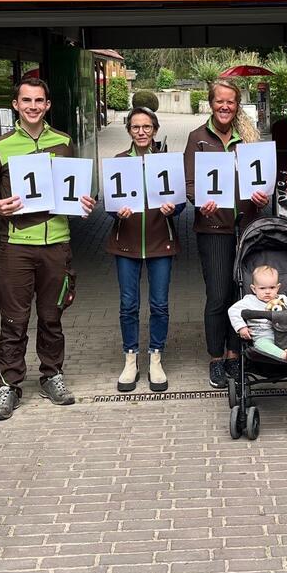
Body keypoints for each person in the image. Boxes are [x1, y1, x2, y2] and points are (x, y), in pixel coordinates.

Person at [0, 78, 95, 420]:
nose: (32, 106)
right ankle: (8, 385)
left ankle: (52, 375)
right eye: (26, 100)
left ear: (47, 105)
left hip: (57, 243)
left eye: (39, 100)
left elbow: (76, 189)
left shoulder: (64, 142)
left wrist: (87, 201)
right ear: (15, 104)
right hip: (16, 245)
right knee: (14, 319)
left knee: (52, 317)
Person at [184, 79, 270, 389]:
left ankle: (235, 355)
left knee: (241, 294)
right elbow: (190, 183)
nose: (225, 106)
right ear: (211, 103)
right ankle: (216, 359)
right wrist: (198, 201)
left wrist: (263, 197)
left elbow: (263, 180)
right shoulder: (198, 138)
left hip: (246, 228)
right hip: (213, 229)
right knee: (219, 295)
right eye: (219, 101)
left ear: (237, 105)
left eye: (230, 102)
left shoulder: (248, 138)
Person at [107, 107, 182, 392]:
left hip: (160, 241)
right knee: (129, 305)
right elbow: (109, 207)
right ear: (128, 130)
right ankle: (130, 359)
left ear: (155, 130)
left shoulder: (165, 161)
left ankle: (155, 357)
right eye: (136, 127)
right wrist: (117, 212)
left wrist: (173, 208)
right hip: (125, 243)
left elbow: (181, 204)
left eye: (147, 127)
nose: (141, 132)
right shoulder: (119, 162)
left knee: (159, 304)